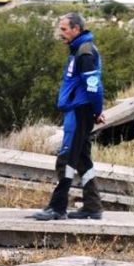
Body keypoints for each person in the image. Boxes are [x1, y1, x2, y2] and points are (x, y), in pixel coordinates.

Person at [32, 13, 105, 221]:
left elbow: (93, 86)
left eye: (64, 29)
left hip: (79, 111)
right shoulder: (78, 50)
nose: (60, 33)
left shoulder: (85, 53)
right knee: (82, 159)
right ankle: (92, 207)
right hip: (78, 110)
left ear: (76, 29)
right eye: (60, 29)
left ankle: (57, 208)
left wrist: (97, 110)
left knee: (66, 158)